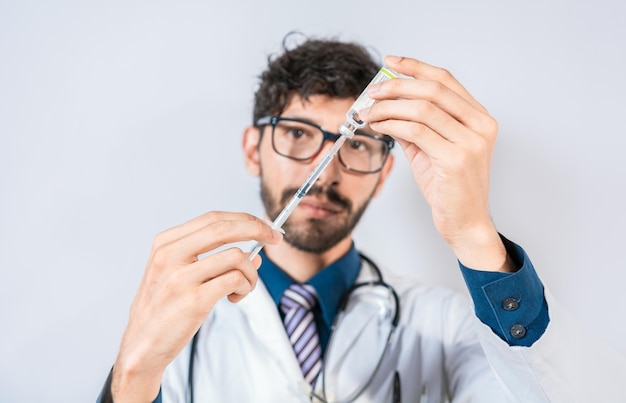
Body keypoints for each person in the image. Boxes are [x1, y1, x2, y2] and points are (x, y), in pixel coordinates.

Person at [98, 35, 622, 402]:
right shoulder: (180, 325)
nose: (325, 174)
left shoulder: (445, 325)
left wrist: (474, 234)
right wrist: (133, 377)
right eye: (297, 133)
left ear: (385, 172)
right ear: (253, 149)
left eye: (357, 144)